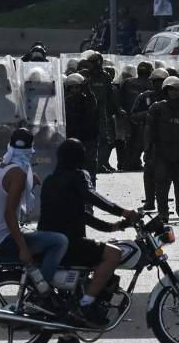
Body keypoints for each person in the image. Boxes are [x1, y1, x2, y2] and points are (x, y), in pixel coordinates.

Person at [39, 139, 139, 329]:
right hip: (70, 243)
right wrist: (123, 212)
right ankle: (86, 305)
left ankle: (68, 338)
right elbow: (92, 196)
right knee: (114, 254)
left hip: (51, 243)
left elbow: (80, 215)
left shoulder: (50, 180)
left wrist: (113, 227)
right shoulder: (78, 175)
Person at [0, 128, 68, 316]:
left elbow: (6, 192)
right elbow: (9, 214)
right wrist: (22, 247)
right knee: (59, 241)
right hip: (5, 237)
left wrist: (30, 182)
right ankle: (41, 295)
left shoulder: (0, 167)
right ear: (31, 149)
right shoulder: (19, 175)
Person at [145, 76, 179, 223]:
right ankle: (163, 213)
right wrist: (148, 150)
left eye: (176, 89)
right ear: (166, 91)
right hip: (161, 152)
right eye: (170, 89)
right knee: (161, 183)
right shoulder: (157, 108)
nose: (173, 92)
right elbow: (149, 131)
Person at [130, 67, 167, 208]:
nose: (158, 84)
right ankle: (150, 202)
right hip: (150, 138)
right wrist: (149, 113)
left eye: (161, 81)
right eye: (155, 81)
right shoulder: (144, 97)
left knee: (168, 174)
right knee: (149, 171)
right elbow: (133, 116)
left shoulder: (173, 98)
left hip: (169, 138)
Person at [64, 73, 99, 182]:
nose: (75, 90)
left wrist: (87, 90)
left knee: (89, 168)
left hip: (88, 139)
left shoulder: (88, 100)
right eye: (72, 88)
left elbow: (92, 105)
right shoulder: (65, 102)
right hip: (72, 138)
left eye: (77, 87)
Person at [114, 63, 149, 170]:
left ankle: (127, 163)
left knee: (128, 141)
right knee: (139, 141)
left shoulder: (127, 82)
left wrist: (121, 110)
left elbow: (120, 97)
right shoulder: (150, 84)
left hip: (128, 115)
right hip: (142, 116)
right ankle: (132, 163)